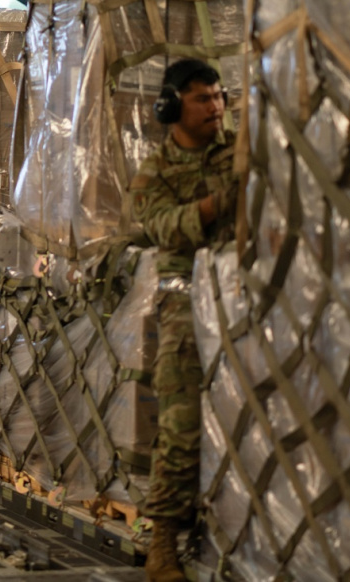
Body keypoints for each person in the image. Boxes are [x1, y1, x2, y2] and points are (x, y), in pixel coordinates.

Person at [129, 59, 238, 582]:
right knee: (181, 417)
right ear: (172, 107)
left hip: (246, 289)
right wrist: (217, 205)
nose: (215, 107)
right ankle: (164, 541)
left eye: (219, 96)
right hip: (187, 298)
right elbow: (163, 228)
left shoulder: (241, 153)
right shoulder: (154, 172)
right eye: (202, 98)